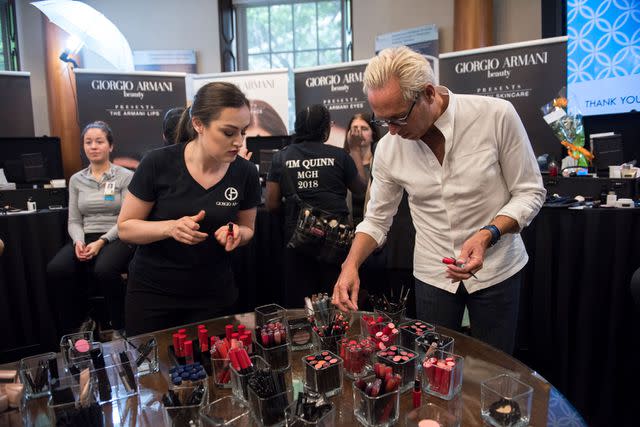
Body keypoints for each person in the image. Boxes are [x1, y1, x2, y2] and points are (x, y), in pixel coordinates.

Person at [331, 46, 546, 354]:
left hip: (497, 268)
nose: (391, 131)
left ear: (428, 94)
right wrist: (350, 265)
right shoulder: (390, 147)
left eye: (399, 118)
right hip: (433, 274)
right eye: (383, 121)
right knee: (433, 365)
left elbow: (530, 191)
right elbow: (377, 219)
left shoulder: (495, 115)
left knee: (493, 365)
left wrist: (489, 234)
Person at [117, 82, 261, 336]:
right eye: (229, 132)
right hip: (154, 294)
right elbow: (126, 228)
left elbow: (248, 228)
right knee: (153, 372)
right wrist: (170, 227)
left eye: (243, 131)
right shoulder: (157, 164)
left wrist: (237, 233)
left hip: (213, 294)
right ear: (198, 124)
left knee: (212, 369)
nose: (239, 142)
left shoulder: (245, 172)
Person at [265, 104, 368, 308]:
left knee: (299, 304)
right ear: (326, 129)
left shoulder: (281, 157)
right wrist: (355, 150)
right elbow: (361, 189)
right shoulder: (340, 156)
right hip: (335, 242)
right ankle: (337, 339)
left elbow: (271, 204)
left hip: (297, 241)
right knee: (337, 301)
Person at [47, 121, 135, 334]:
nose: (93, 146)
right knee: (57, 269)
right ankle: (80, 322)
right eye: (88, 142)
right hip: (85, 236)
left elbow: (126, 218)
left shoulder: (125, 176)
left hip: (118, 235)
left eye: (99, 141)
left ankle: (119, 325)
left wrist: (102, 241)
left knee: (104, 270)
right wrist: (79, 241)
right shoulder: (77, 179)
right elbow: (74, 220)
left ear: (110, 146)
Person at [343, 113, 379, 224]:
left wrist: (355, 149)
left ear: (373, 134)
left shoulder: (379, 164)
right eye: (354, 128)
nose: (358, 133)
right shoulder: (341, 163)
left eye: (364, 128)